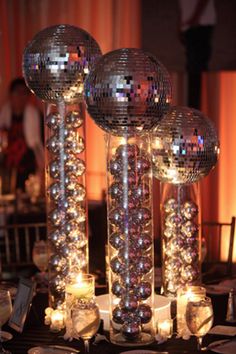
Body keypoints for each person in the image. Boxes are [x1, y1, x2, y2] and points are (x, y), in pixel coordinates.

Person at [0, 78, 44, 192]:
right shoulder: (3, 115)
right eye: (17, 92)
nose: (21, 96)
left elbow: (39, 144)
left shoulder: (35, 116)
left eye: (24, 93)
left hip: (29, 169)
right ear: (10, 95)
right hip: (7, 169)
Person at [179, 0, 216, 109]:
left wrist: (194, 19)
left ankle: (199, 106)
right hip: (190, 25)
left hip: (201, 24)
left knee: (197, 66)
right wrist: (181, 26)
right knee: (192, 66)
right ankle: (195, 105)